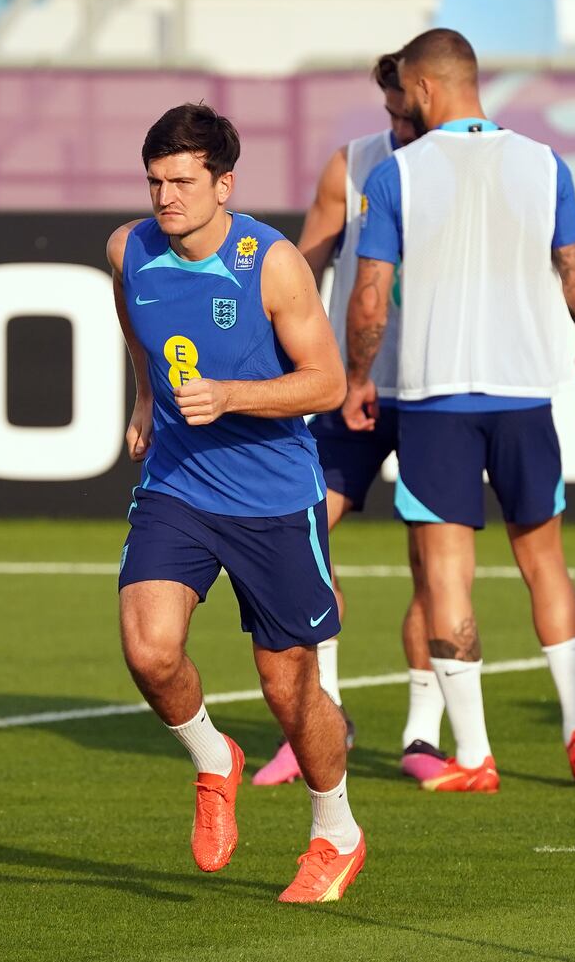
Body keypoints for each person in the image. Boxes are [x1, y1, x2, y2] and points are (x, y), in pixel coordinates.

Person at [343, 29, 575, 792]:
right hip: (525, 390)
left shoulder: (399, 173)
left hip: (436, 396)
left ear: (424, 88)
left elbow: (369, 298)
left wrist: (360, 376)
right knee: (545, 562)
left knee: (446, 574)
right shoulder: (543, 162)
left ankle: (473, 753)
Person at [107, 103, 366, 900]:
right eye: (155, 181)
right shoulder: (128, 249)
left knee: (289, 690)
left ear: (225, 183)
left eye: (182, 181)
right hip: (179, 487)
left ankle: (335, 829)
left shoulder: (272, 262)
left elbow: (327, 382)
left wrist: (232, 394)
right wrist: (149, 398)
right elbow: (135, 322)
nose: (165, 197)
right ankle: (214, 758)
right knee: (149, 649)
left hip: (274, 500)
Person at [253, 50, 448, 788]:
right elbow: (302, 265)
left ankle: (423, 732)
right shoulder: (353, 165)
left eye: (409, 113)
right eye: (391, 113)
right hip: (347, 392)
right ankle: (323, 714)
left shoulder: (461, 169)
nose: (398, 126)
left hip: (435, 392)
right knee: (305, 532)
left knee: (434, 562)